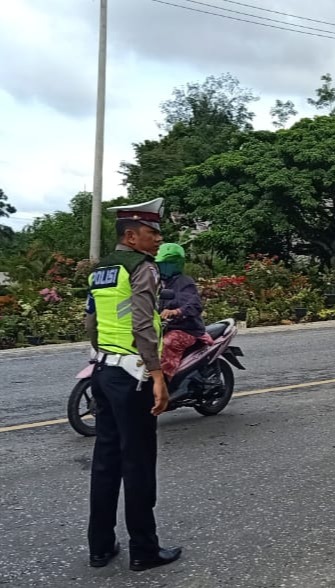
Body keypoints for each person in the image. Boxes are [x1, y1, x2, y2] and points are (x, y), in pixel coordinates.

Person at [85, 197, 182, 571]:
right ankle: (144, 549)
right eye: (151, 232)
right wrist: (157, 375)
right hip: (132, 375)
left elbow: (92, 324)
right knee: (138, 462)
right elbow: (144, 324)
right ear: (132, 235)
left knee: (106, 461)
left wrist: (103, 357)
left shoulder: (100, 271)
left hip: (103, 370)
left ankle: (100, 547)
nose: (158, 239)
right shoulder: (142, 269)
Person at [155, 243, 211, 390]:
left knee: (168, 343)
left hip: (187, 329)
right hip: (164, 327)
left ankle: (165, 383)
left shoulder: (185, 282)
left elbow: (194, 305)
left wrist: (176, 312)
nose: (162, 268)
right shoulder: (159, 283)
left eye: (167, 264)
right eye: (160, 264)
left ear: (176, 264)